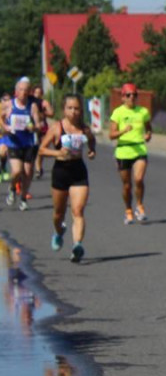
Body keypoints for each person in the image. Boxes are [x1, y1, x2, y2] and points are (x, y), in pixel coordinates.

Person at [38, 94, 96, 263]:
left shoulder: (84, 129)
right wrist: (57, 153)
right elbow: (41, 150)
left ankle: (77, 245)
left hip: (78, 172)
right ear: (64, 110)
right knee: (58, 213)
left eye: (76, 108)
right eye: (70, 108)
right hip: (61, 172)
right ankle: (58, 232)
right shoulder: (57, 128)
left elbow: (92, 141)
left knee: (78, 210)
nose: (73, 112)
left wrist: (92, 151)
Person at [109, 82, 152, 224]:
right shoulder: (118, 113)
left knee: (138, 179)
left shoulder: (143, 112)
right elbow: (111, 135)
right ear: (122, 97)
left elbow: (148, 128)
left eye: (134, 95)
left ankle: (139, 206)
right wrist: (123, 131)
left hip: (139, 149)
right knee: (127, 185)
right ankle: (128, 209)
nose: (131, 97)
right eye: (128, 95)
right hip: (123, 151)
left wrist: (148, 135)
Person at [1, 77, 41, 211]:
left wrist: (33, 128)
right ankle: (12, 187)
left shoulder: (32, 106)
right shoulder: (9, 104)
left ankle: (23, 198)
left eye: (26, 90)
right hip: (13, 142)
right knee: (17, 170)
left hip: (28, 142)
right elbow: (0, 117)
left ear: (29, 92)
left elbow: (39, 124)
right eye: (21, 90)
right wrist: (5, 126)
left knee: (28, 172)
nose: (23, 93)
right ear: (16, 91)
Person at [32, 84, 54, 179]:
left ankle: (38, 167)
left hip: (42, 127)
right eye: (35, 92)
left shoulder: (44, 103)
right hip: (31, 127)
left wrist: (42, 113)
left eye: (39, 93)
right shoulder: (30, 102)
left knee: (41, 148)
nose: (37, 94)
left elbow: (51, 113)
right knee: (34, 149)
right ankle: (35, 168)